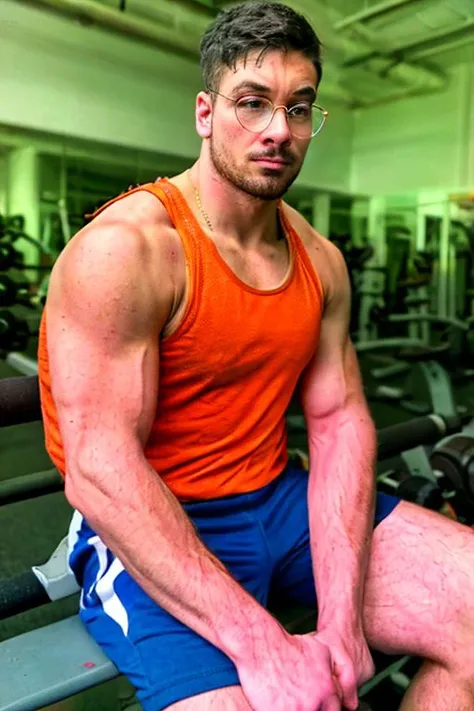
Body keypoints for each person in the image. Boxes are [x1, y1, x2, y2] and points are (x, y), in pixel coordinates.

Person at [38, 3, 474, 710]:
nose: (279, 129)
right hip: (149, 525)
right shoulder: (129, 251)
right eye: (253, 103)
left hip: (279, 500)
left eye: (299, 108)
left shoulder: (321, 260)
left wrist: (340, 625)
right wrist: (266, 647)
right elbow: (99, 468)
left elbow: (337, 422)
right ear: (206, 113)